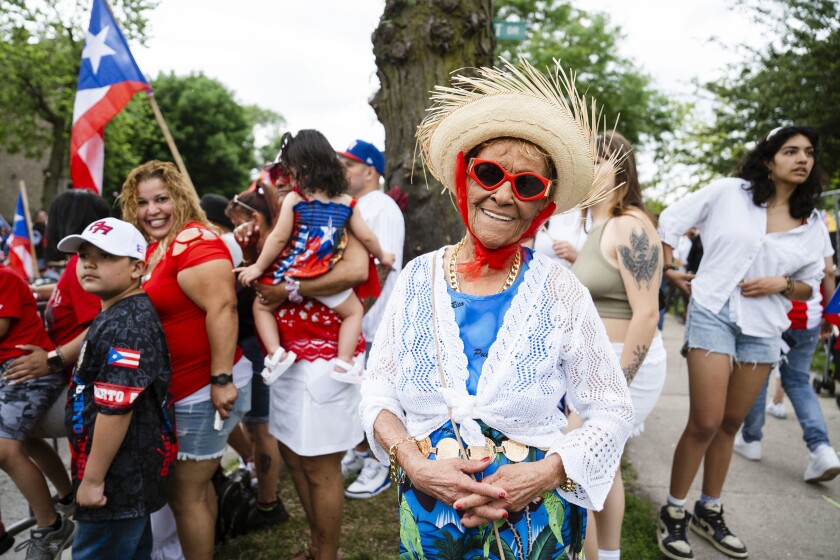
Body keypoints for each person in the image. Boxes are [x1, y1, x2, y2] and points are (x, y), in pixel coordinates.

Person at [361, 58, 635, 559]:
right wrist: (414, 463)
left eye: (526, 184)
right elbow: (378, 387)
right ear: (465, 178)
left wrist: (545, 473)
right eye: (489, 172)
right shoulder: (419, 276)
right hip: (430, 514)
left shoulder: (561, 290)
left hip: (534, 520)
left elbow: (611, 408)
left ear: (543, 205)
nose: (504, 195)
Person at [657, 125, 826, 560]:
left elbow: (811, 286)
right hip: (713, 310)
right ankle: (673, 512)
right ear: (769, 159)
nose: (802, 159)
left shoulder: (811, 222)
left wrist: (783, 283)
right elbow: (670, 222)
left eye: (808, 152)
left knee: (731, 424)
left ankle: (707, 510)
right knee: (706, 421)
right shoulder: (730, 192)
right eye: (791, 151)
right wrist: (670, 268)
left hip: (765, 328)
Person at [232, 163, 373, 560]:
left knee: (320, 465)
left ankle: (326, 554)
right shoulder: (274, 231)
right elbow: (258, 285)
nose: (280, 187)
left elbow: (359, 270)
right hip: (286, 360)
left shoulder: (335, 219)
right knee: (294, 458)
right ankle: (315, 548)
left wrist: (287, 290)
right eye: (274, 182)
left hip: (325, 357)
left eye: (287, 180)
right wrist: (252, 252)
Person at [121, 161, 250, 560]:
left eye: (161, 199)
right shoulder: (160, 245)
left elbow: (224, 307)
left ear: (180, 197)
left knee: (185, 493)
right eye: (142, 202)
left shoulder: (195, 241)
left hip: (204, 386)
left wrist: (221, 378)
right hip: (182, 386)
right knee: (195, 489)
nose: (152, 210)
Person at [56, 217, 176, 559]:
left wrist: (92, 480)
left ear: (137, 267)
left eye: (106, 256)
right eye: (84, 254)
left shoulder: (128, 324)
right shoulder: (119, 312)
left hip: (117, 481)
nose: (90, 262)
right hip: (120, 477)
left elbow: (116, 407)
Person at [570, 131, 666, 560]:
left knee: (574, 466)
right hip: (598, 361)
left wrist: (617, 388)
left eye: (598, 161)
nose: (588, 169)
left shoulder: (628, 225)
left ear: (621, 169)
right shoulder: (599, 225)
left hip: (623, 361)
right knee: (605, 467)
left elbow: (647, 313)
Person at [236, 130, 395, 385]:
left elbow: (278, 239)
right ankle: (344, 363)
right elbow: (366, 238)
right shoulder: (347, 203)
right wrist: (383, 255)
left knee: (262, 305)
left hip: (295, 270)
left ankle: (276, 353)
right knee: (353, 312)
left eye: (291, 170)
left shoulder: (295, 200)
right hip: (325, 272)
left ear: (303, 169)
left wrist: (257, 267)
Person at [736, 232, 840, 482]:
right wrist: (829, 312)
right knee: (798, 380)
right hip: (810, 317)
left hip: (774, 312)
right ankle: (821, 448)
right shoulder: (816, 224)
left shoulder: (770, 214)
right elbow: (828, 272)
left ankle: (751, 438)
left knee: (758, 376)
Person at [337, 139, 405, 500]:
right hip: (360, 319)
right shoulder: (359, 205)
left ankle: (381, 463)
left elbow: (384, 264)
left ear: (370, 170)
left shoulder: (382, 207)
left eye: (348, 165)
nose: (342, 171)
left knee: (377, 397)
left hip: (376, 321)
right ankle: (363, 452)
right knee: (358, 394)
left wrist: (360, 310)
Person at [224, 185, 290, 529]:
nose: (233, 226)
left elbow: (255, 290)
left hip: (259, 346)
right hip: (252, 344)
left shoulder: (273, 245)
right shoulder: (262, 243)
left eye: (235, 217)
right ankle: (261, 490)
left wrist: (248, 257)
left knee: (262, 427)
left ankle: (269, 505)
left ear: (252, 216)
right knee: (254, 425)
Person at [0, 259, 75, 559]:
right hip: (10, 374)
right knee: (26, 441)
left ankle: (51, 525)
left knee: (4, 449)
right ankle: (67, 496)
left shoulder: (5, 278)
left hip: (28, 371)